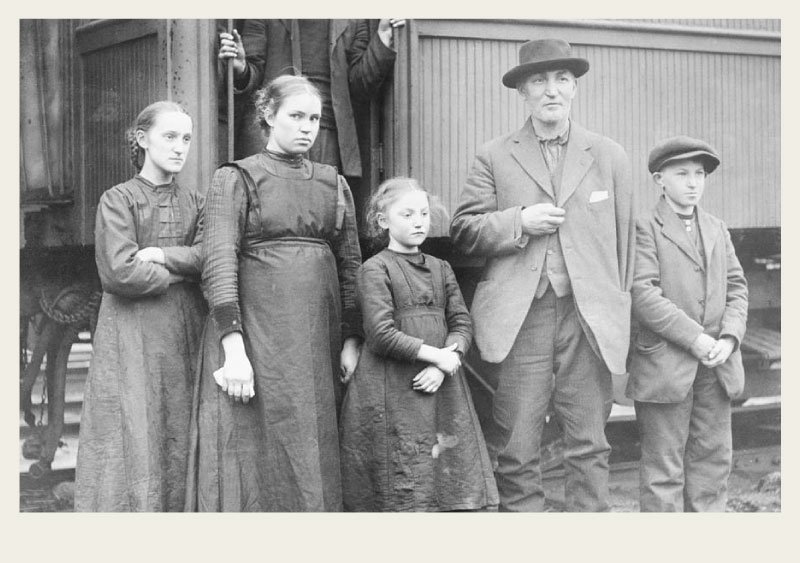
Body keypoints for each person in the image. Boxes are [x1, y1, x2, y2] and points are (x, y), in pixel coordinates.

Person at [450, 38, 635, 512]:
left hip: (586, 318)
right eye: (539, 80)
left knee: (590, 443)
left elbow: (626, 247)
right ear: (523, 92)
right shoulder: (494, 155)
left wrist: (616, 309)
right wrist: (519, 222)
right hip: (521, 318)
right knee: (516, 446)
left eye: (562, 80)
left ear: (574, 88)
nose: (551, 90)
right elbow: (464, 232)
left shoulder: (609, 155)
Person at [185, 75, 362, 511]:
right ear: (267, 115)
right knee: (253, 452)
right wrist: (234, 348)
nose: (307, 127)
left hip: (316, 344)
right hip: (257, 341)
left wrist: (353, 339)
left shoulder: (333, 183)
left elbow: (352, 265)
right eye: (296, 116)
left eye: (315, 119)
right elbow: (219, 261)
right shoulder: (236, 178)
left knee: (311, 449)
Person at [75, 101, 205, 511]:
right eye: (169, 136)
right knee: (132, 424)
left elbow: (208, 257)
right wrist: (183, 274)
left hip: (183, 331)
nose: (179, 147)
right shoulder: (117, 200)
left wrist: (165, 258)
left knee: (177, 425)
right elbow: (119, 273)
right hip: (130, 334)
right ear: (142, 139)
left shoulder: (197, 201)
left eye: (186, 138)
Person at [338, 178, 498, 512]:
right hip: (392, 388)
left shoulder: (442, 268)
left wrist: (444, 363)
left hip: (440, 387)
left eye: (424, 213)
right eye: (407, 214)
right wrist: (436, 356)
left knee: (444, 477)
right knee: (399, 480)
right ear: (383, 221)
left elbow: (462, 323)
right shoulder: (375, 269)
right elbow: (380, 334)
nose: (418, 221)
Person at [626, 136, 748, 512]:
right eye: (682, 174)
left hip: (717, 364)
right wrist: (695, 339)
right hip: (666, 367)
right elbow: (642, 294)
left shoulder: (716, 227)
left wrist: (729, 338)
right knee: (664, 471)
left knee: (712, 466)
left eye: (699, 174)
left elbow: (737, 289)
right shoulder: (643, 227)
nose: (693, 182)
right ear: (659, 179)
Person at [217, 19, 404, 174]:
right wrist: (241, 69)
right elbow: (253, 74)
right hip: (274, 133)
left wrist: (383, 38)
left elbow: (360, 86)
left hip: (328, 136)